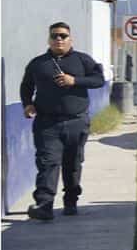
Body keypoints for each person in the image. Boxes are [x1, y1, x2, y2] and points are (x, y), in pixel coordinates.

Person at [20, 22, 106, 220]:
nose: (59, 39)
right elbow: (26, 86)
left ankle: (71, 201)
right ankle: (44, 204)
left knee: (72, 163)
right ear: (49, 39)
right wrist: (27, 104)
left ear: (70, 39)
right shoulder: (38, 63)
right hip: (46, 123)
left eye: (63, 36)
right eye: (54, 36)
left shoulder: (82, 60)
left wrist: (74, 81)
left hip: (76, 121)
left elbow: (98, 80)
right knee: (47, 162)